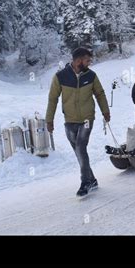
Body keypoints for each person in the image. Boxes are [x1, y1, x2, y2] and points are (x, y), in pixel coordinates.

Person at [46, 48, 111, 198]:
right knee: (78, 151)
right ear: (78, 61)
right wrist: (49, 119)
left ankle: (85, 182)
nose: (90, 63)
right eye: (87, 60)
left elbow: (99, 94)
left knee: (81, 146)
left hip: (87, 118)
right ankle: (92, 179)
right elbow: (52, 99)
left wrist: (105, 111)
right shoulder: (60, 76)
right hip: (69, 120)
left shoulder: (91, 76)